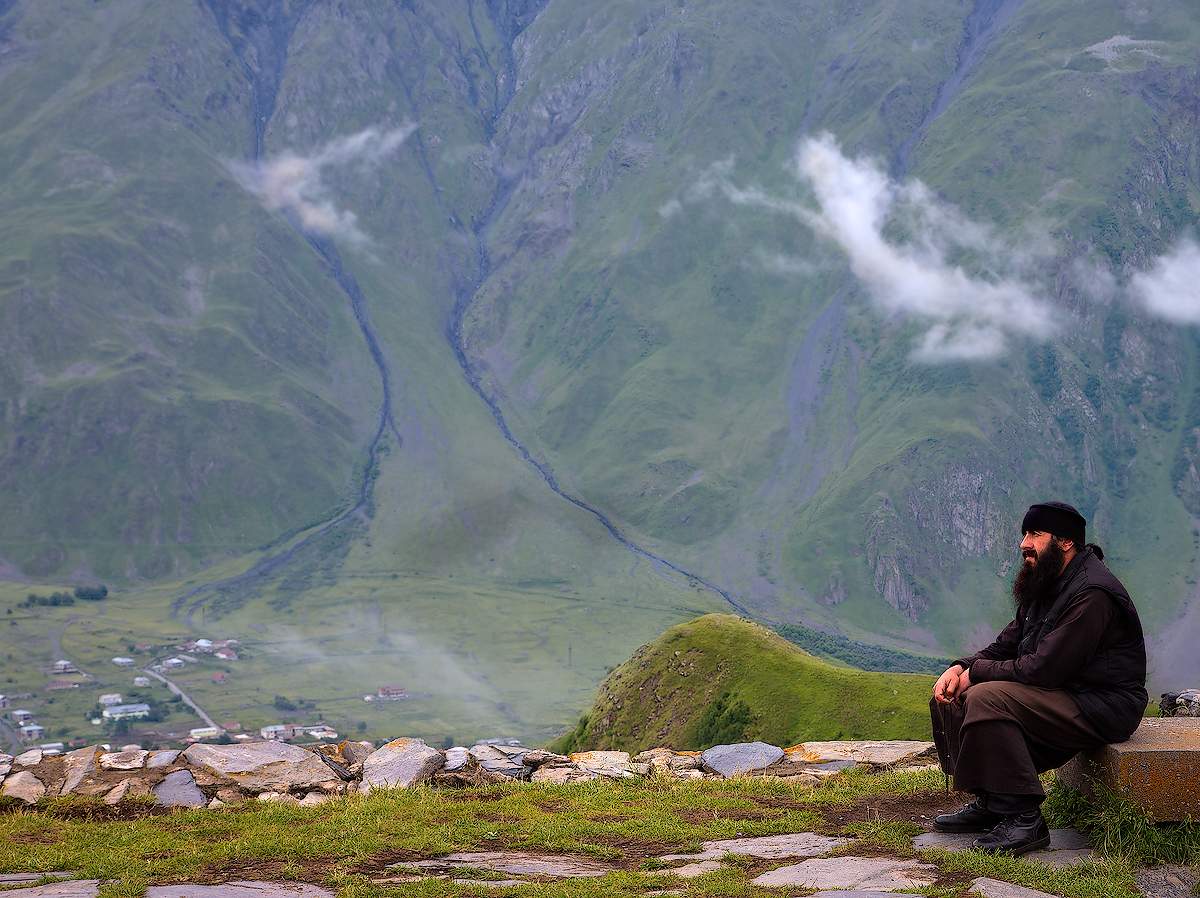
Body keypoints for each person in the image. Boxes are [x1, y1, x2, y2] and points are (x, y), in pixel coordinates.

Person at [929, 501, 1147, 855]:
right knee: (953, 692)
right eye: (1024, 534)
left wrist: (977, 675)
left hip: (1102, 704)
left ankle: (1023, 819)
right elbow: (1007, 645)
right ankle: (993, 801)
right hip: (1066, 692)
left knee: (986, 698)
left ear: (1065, 542)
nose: (1023, 544)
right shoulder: (1049, 582)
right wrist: (960, 667)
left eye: (1034, 534)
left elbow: (1044, 670)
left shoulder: (1091, 594)